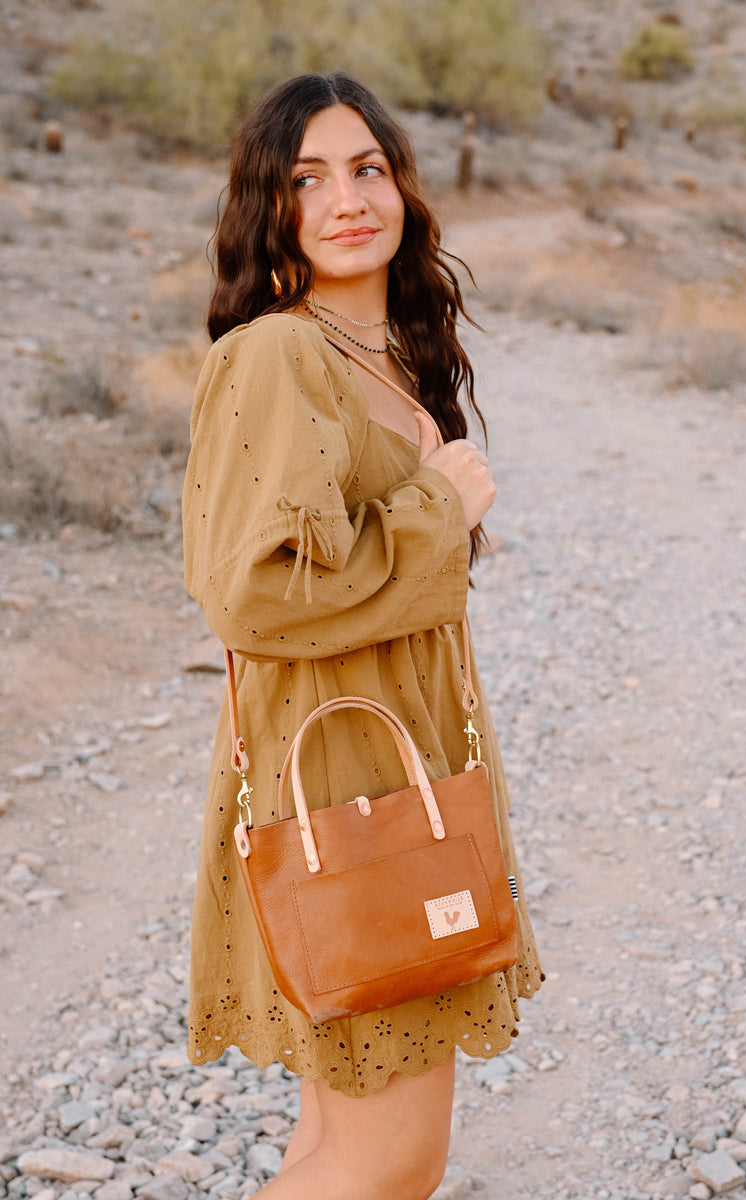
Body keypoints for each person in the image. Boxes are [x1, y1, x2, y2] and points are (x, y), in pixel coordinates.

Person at [182, 72, 543, 1200]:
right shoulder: (276, 355)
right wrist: (441, 505)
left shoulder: (380, 354)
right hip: (342, 784)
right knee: (390, 1163)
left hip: (391, 780)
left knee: (337, 1147)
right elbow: (254, 594)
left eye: (367, 168)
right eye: (307, 178)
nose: (346, 198)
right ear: (268, 207)